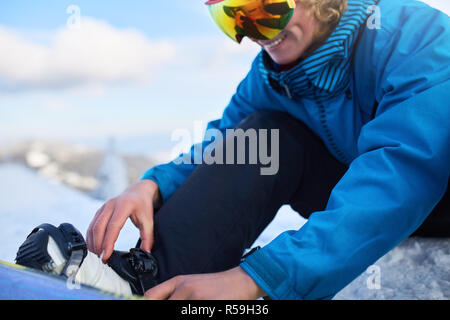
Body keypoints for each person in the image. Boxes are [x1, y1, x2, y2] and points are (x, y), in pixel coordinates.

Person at [17, 0, 450, 300]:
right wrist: (152, 185)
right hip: (358, 189)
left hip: (436, 193)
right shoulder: (269, 78)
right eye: (232, 17)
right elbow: (222, 143)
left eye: (264, 9)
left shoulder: (412, 37)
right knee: (261, 136)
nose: (250, 34)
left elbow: (405, 167)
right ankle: (149, 282)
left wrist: (258, 279)